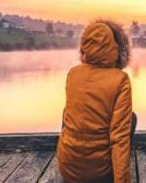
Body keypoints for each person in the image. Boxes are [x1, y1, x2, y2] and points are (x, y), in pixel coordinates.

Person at [56, 20, 136, 183]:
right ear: (116, 47)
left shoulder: (73, 74)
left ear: (84, 46)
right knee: (131, 118)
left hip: (68, 170)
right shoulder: (121, 80)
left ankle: (71, 160)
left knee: (67, 113)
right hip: (100, 173)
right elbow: (119, 137)